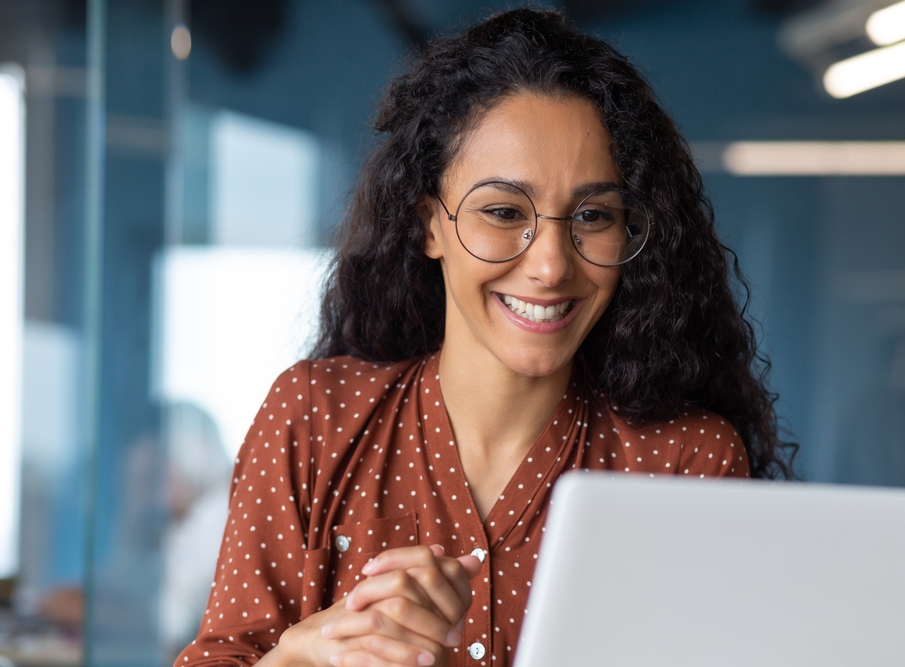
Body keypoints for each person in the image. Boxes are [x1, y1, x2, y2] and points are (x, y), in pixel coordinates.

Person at [174, 8, 795, 667]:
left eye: (593, 215)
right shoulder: (315, 418)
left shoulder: (683, 464)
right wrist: (301, 653)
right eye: (503, 212)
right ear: (429, 227)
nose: (552, 263)